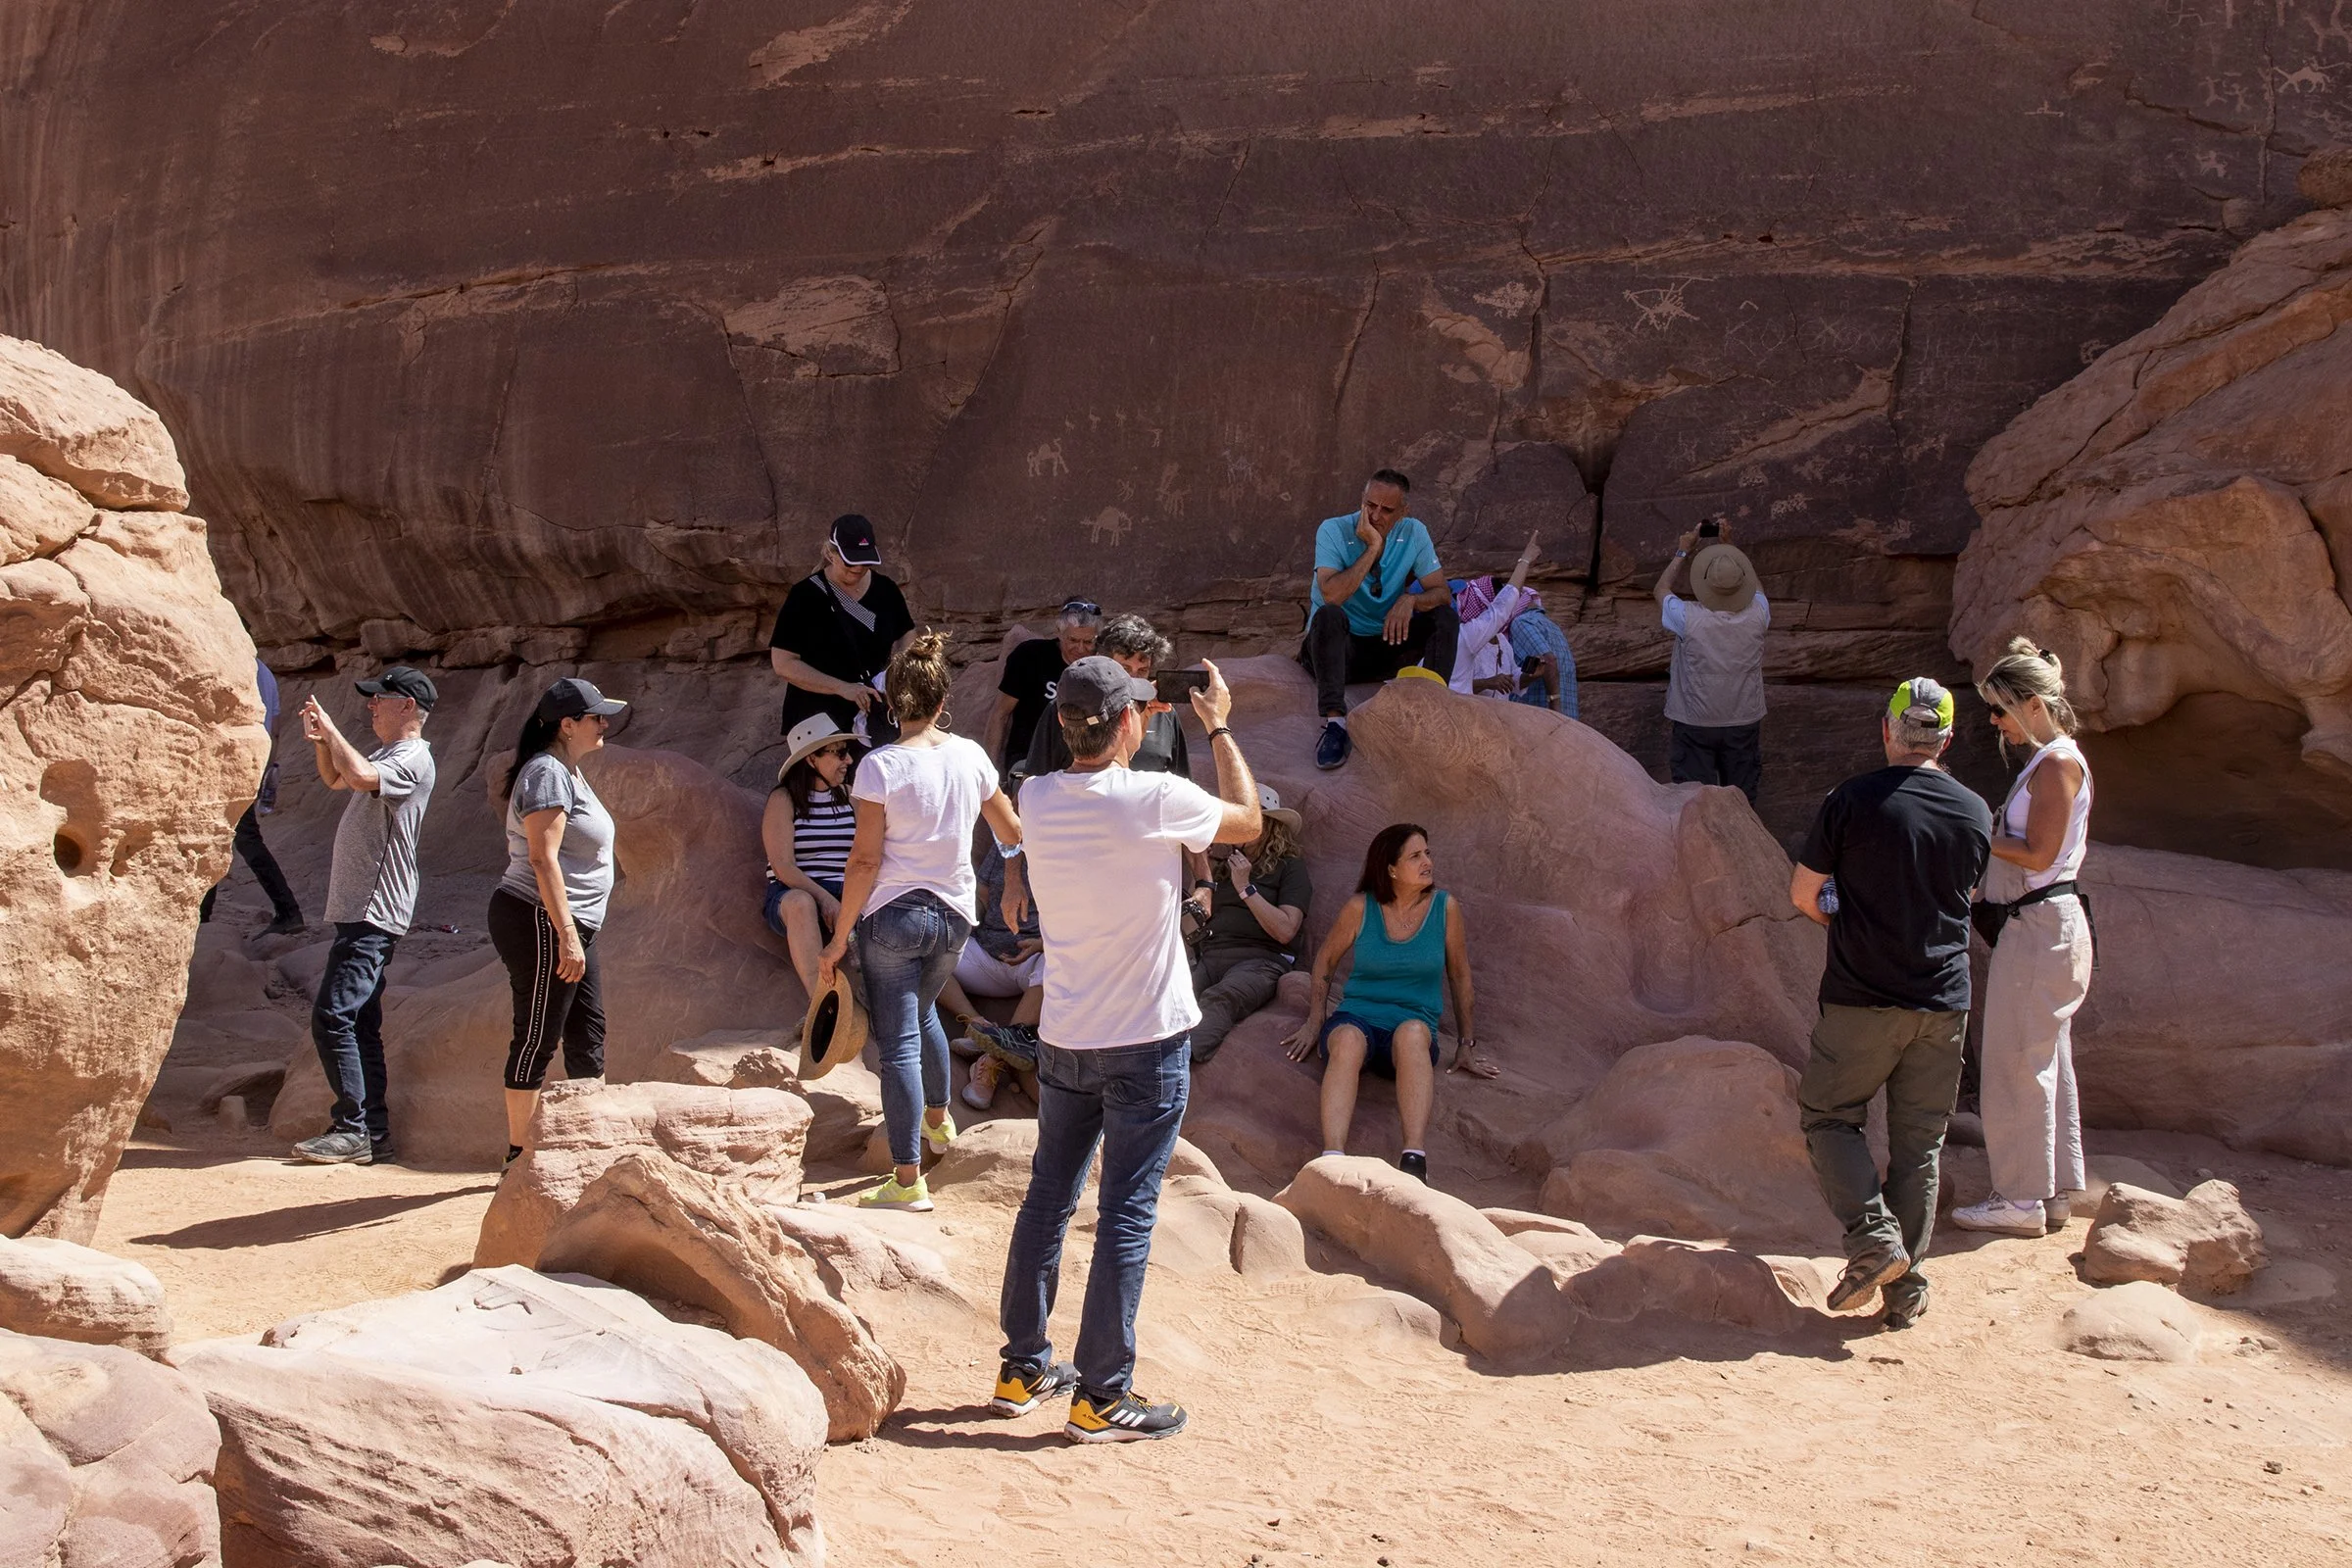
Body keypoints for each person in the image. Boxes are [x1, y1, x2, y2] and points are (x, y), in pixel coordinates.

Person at [993, 655, 1261, 1444]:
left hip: (1068, 1037)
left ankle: (1024, 1367)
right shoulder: (1154, 797)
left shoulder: (1036, 798)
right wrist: (1217, 724)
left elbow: (1070, 769)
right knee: (1126, 1214)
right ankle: (1103, 1394)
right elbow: (1246, 816)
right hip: (1145, 1040)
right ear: (1126, 724)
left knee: (1049, 1197)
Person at [1788, 678, 1992, 1331]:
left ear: (1887, 730)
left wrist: (1842, 924)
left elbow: (1803, 894)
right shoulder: (1974, 810)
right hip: (1945, 1003)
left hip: (1862, 998)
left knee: (1828, 1116)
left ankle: (1875, 1238)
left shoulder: (1849, 801)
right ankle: (1907, 1291)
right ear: (1949, 739)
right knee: (1920, 1148)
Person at [819, 632, 1023, 1213]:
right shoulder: (972, 756)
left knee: (899, 1041)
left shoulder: (879, 767)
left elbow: (864, 859)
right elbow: (1012, 833)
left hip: (894, 916)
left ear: (892, 704)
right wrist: (1011, 879)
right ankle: (939, 1121)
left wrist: (838, 939)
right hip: (956, 917)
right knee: (924, 1012)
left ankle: (907, 1181)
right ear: (941, 700)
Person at [1951, 639, 2096, 1239]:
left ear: (2033, 705)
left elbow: (2038, 852)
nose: (1994, 722)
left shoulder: (2059, 763)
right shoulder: (2051, 760)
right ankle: (2052, 1192)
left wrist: (1976, 833)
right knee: (2044, 1058)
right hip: (2040, 925)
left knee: (2016, 1063)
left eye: (2000, 710)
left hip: (2041, 929)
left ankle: (2018, 1199)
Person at [1282, 824, 1495, 1182]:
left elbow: (1460, 976)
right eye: (1415, 856)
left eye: (1427, 853)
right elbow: (1326, 960)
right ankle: (1331, 1159)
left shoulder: (1445, 908)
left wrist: (1465, 1044)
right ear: (1391, 869)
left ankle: (1414, 1160)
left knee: (1412, 1034)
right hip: (1358, 1018)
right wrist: (1314, 1020)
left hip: (1412, 1025)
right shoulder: (1359, 907)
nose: (1427, 861)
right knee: (1347, 1040)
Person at [291, 665, 439, 1166]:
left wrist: (332, 731)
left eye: (382, 699)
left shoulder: (413, 757)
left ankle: (352, 1129)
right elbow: (337, 777)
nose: (372, 706)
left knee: (333, 1016)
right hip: (363, 910)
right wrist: (320, 741)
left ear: (409, 708)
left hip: (374, 911)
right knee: (359, 1022)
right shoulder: (388, 752)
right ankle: (372, 1134)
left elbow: (356, 776)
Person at [488, 677, 626, 1170]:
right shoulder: (547, 772)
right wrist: (566, 933)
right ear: (567, 726)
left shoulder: (565, 770)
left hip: (569, 923)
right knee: (537, 1034)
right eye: (595, 717)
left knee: (588, 1031)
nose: (603, 723)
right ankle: (519, 1159)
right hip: (540, 918)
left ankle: (587, 1144)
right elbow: (543, 860)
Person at [1302, 468, 1461, 770]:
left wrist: (1410, 599)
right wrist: (1373, 546)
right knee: (1329, 614)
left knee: (1443, 618)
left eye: (1387, 510)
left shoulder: (1414, 532)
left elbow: (1442, 593)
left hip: (1385, 645)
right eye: (1370, 505)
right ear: (1362, 500)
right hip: (1336, 651)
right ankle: (1335, 725)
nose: (1376, 515)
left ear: (1404, 511)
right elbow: (1332, 595)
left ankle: (1434, 711)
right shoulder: (1333, 530)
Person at [1181, 784, 1311, 1066]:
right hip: (1211, 955)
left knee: (1221, 997)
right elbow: (1191, 925)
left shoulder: (1290, 867)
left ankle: (1180, 1067)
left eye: (1248, 820)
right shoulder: (1221, 865)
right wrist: (1201, 867)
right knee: (1173, 998)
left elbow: (1286, 929)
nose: (1240, 828)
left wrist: (1246, 888)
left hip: (1260, 960)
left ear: (1270, 825)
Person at [767, 513, 916, 743]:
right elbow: (783, 662)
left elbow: (907, 632)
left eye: (865, 561)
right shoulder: (805, 596)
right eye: (850, 560)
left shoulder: (886, 590)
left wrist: (896, 673)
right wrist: (841, 688)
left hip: (872, 717)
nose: (858, 568)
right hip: (819, 720)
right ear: (830, 553)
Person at [1654, 518, 1769, 804]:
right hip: (1743, 720)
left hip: (1695, 722)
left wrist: (1683, 550)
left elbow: (1660, 590)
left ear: (1704, 582)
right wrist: (1730, 549)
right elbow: (1759, 591)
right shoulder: (1758, 614)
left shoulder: (1686, 617)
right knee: (1742, 804)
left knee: (1695, 804)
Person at [761, 714, 865, 1001]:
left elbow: (867, 853)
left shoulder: (851, 796)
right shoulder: (783, 800)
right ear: (811, 760)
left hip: (848, 890)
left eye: (849, 752)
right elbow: (782, 865)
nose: (849, 761)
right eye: (841, 753)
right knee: (800, 904)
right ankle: (820, 1003)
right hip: (797, 891)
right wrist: (825, 899)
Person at [201, 656, 305, 934]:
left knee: (232, 838)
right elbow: (277, 728)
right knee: (223, 837)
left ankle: (288, 911)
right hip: (252, 764)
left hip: (229, 766)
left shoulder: (232, 664)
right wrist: (269, 768)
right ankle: (204, 916)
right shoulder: (267, 673)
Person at [1020, 613, 1189, 778]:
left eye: (1142, 670)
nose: (1133, 680)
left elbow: (1183, 785)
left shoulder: (1164, 713)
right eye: (1125, 669)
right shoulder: (1070, 709)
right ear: (1103, 662)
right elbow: (1031, 786)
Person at [986, 600, 1102, 771]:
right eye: (1073, 640)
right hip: (1029, 760)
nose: (1080, 648)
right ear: (1059, 632)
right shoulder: (1030, 657)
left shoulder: (1102, 667)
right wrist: (991, 774)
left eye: (1088, 642)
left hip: (1084, 764)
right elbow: (1000, 714)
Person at [1447, 532, 1543, 702]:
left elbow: (1513, 680)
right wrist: (1487, 683)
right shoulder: (1466, 637)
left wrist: (1532, 675)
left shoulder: (1502, 641)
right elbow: (1452, 684)